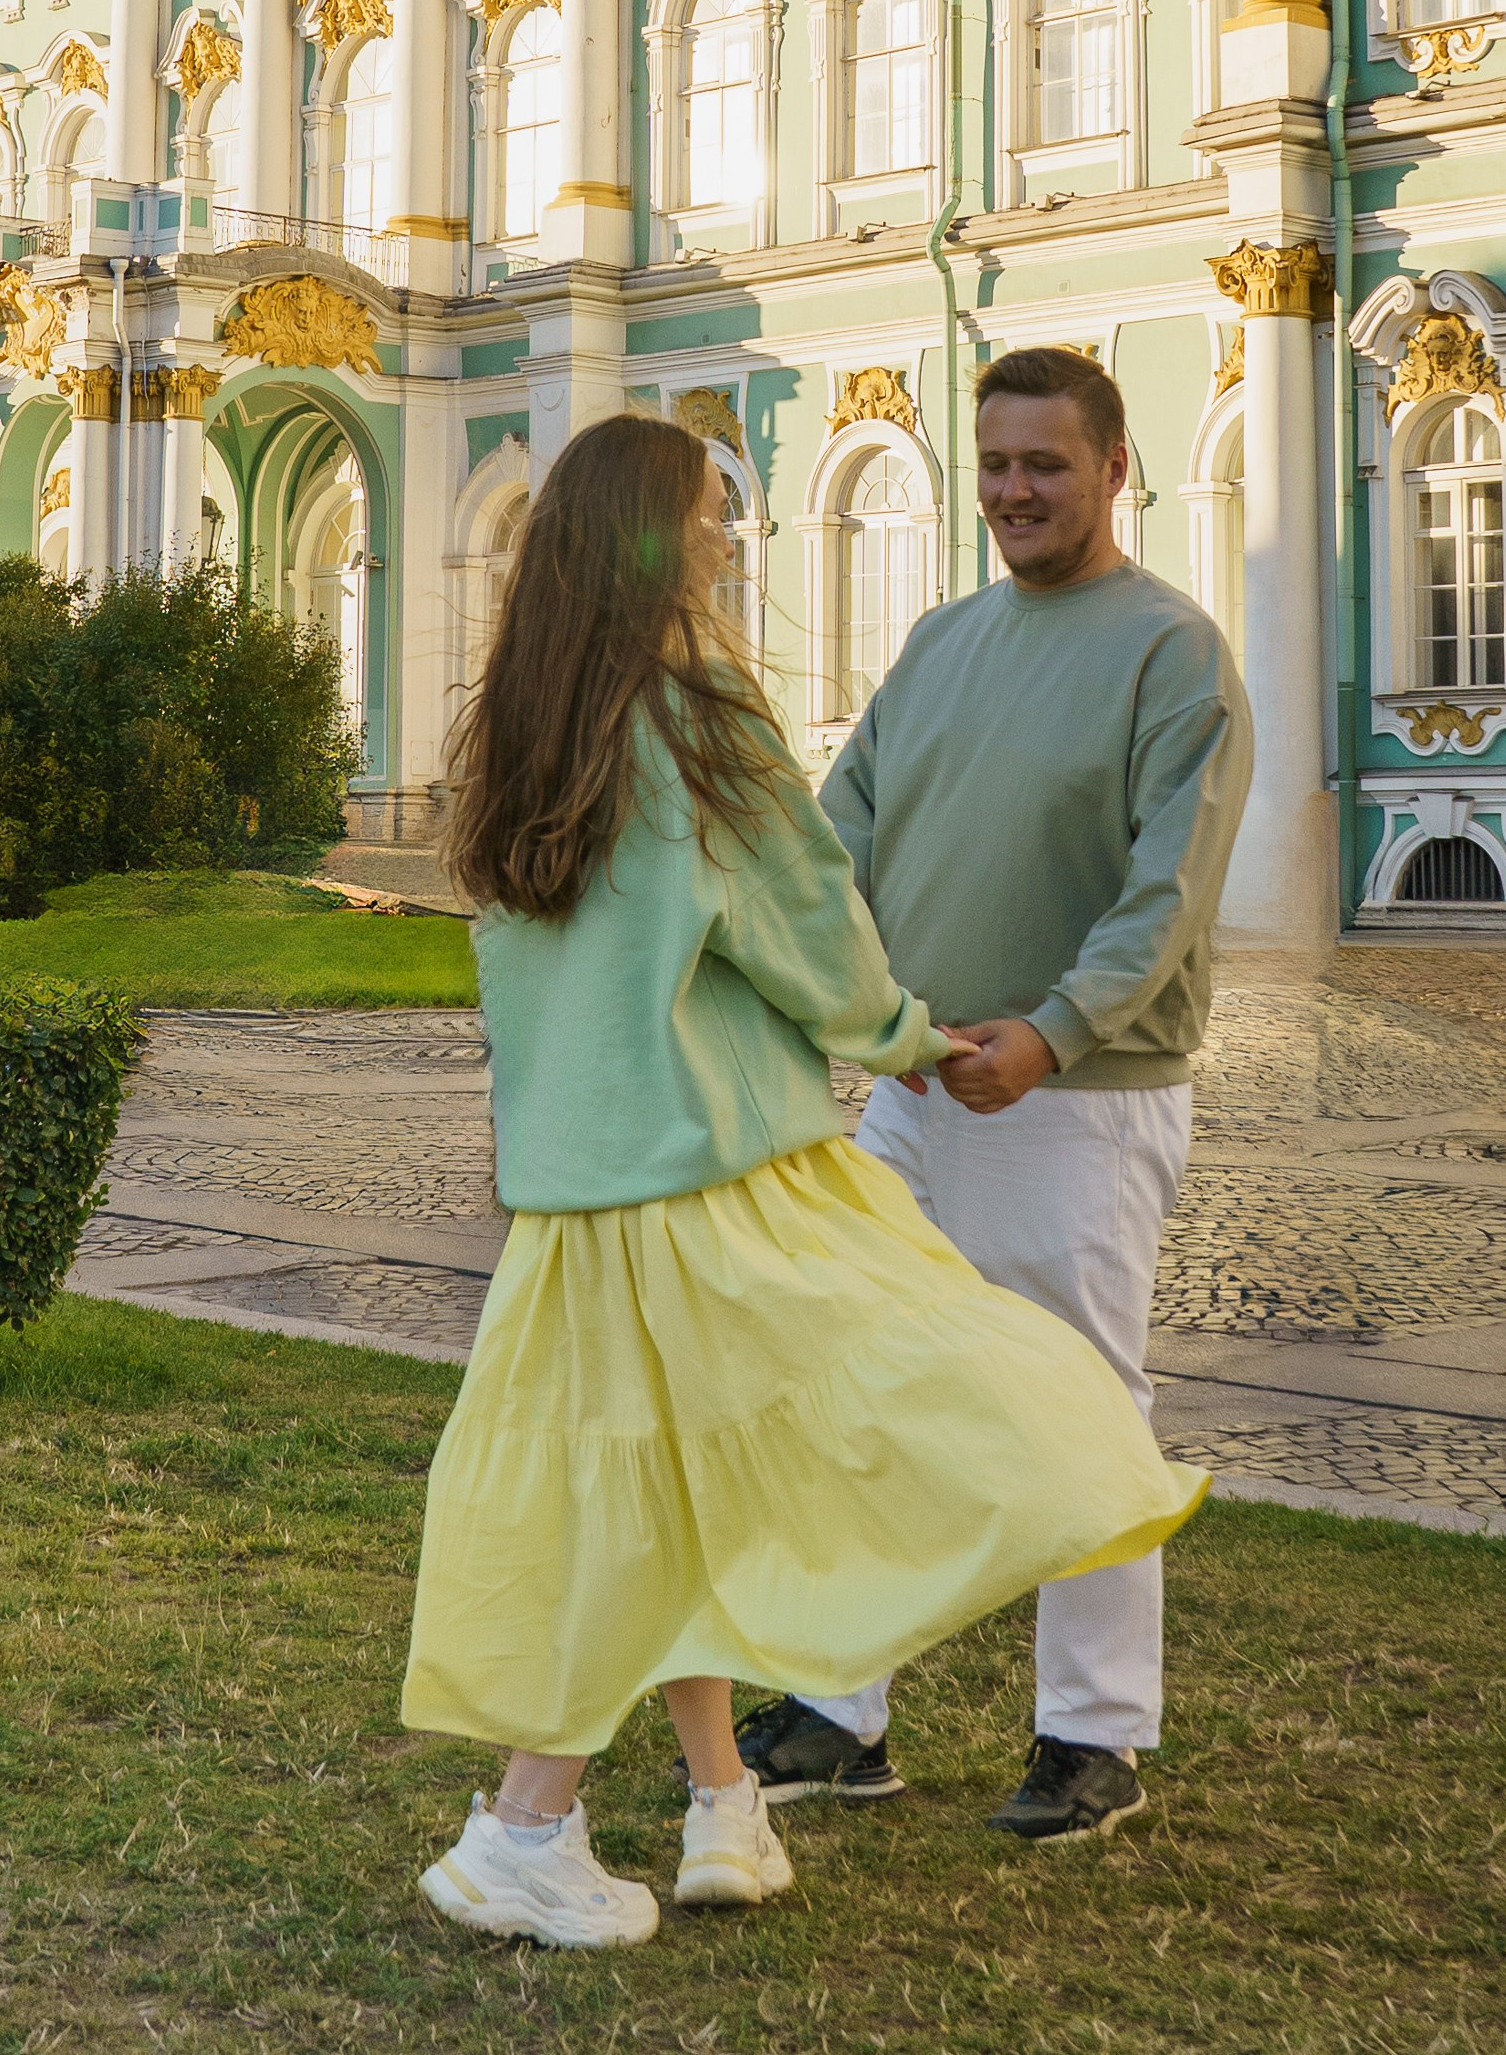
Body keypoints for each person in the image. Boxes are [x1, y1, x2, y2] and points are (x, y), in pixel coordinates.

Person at [402, 413, 1207, 1949]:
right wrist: (905, 1038)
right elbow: (807, 926)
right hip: (715, 1171)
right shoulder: (698, 714)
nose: (726, 537)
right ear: (657, 542)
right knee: (952, 1384)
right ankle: (521, 1828)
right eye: (713, 514)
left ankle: (726, 1805)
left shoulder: (519, 722)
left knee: (664, 1478)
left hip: (576, 1192)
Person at [734, 345, 1252, 1843]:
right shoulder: (943, 642)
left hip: (1077, 1102)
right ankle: (841, 1710)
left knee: (1077, 1411)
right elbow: (839, 844)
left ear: (1111, 471)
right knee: (858, 1376)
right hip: (911, 1087)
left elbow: (1170, 894)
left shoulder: (1173, 653)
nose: (1018, 490)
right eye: (999, 465)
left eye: (1048, 464)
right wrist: (795, 973)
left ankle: (1093, 1738)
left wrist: (1052, 1034)